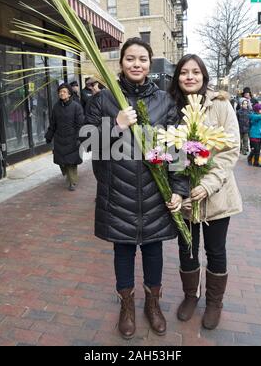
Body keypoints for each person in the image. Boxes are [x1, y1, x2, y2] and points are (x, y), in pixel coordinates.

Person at [84, 38, 189, 339]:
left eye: (142, 59)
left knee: (154, 249)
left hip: (156, 193)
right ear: (121, 63)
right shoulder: (103, 100)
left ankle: (152, 305)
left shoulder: (164, 102)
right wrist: (115, 125)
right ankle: (127, 306)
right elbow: (89, 144)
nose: (136, 64)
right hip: (118, 192)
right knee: (124, 249)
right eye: (130, 59)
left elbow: (177, 150)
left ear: (149, 63)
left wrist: (179, 190)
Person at [169, 54, 243, 330]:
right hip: (184, 195)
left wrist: (207, 184)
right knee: (187, 248)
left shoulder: (220, 105)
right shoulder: (170, 107)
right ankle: (191, 296)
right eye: (184, 72)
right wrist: (177, 187)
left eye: (195, 72)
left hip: (216, 194)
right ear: (177, 77)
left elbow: (229, 150)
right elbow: (170, 151)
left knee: (216, 249)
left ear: (203, 76)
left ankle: (214, 302)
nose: (190, 77)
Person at [45, 83, 84, 191]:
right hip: (59, 138)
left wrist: (79, 138)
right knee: (62, 162)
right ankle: (69, 176)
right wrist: (49, 136)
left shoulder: (76, 106)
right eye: (60, 92)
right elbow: (53, 123)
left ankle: (72, 182)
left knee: (71, 162)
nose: (61, 94)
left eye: (64, 92)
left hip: (72, 138)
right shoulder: (56, 107)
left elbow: (80, 124)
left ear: (69, 94)